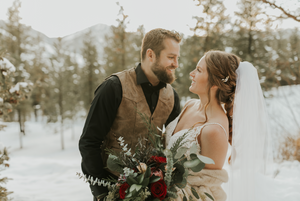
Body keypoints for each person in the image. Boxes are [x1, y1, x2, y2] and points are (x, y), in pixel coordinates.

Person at [79, 28, 182, 201]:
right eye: (171, 57)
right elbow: (89, 142)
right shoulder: (113, 87)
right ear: (151, 55)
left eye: (177, 58)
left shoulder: (172, 97)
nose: (176, 64)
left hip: (154, 194)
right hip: (113, 192)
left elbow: (172, 147)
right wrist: (103, 193)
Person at [165, 50, 272, 201]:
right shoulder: (190, 105)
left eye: (199, 70)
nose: (191, 73)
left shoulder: (213, 130)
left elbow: (207, 187)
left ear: (215, 82)